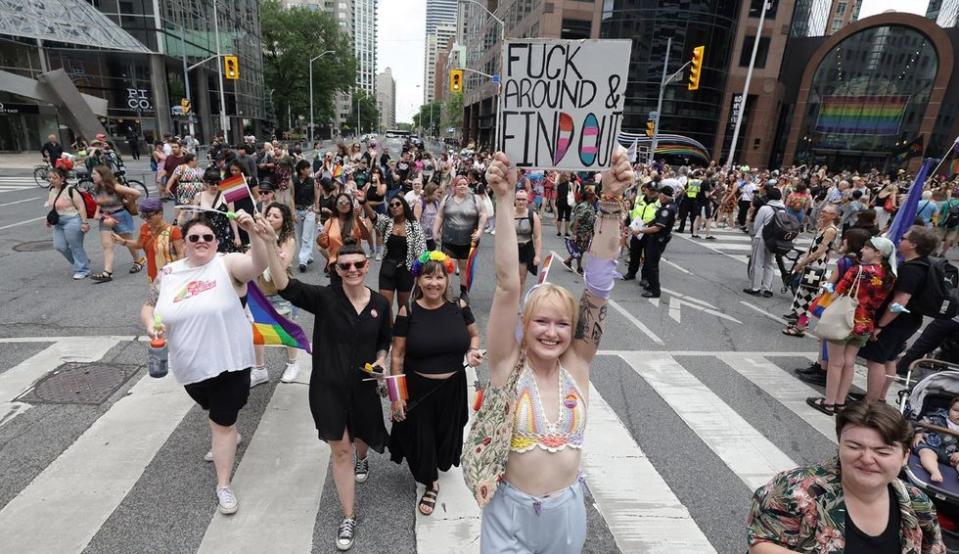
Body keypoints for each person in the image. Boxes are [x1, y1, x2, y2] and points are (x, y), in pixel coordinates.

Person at [478, 147, 630, 553]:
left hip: (566, 511)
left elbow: (597, 290)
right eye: (541, 322)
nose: (551, 332)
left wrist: (611, 203)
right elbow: (509, 284)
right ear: (524, 327)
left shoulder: (578, 363)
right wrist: (505, 200)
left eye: (562, 323)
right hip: (508, 512)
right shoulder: (505, 363)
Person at [264, 237, 390, 551]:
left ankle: (363, 458)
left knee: (361, 439)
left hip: (363, 385)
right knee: (341, 450)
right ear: (335, 268)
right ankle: (348, 516)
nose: (352, 270)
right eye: (344, 265)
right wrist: (268, 242)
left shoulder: (379, 304)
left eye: (358, 264)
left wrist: (381, 360)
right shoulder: (324, 298)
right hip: (327, 387)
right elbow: (284, 285)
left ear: (366, 265)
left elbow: (383, 341)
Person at [142, 211, 269, 516]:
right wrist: (150, 324)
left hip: (229, 364)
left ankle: (223, 484)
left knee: (222, 422)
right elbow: (148, 306)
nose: (201, 242)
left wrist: (253, 233)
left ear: (216, 242)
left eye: (207, 237)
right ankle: (227, 430)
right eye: (194, 238)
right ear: (184, 243)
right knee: (213, 411)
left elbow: (258, 265)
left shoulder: (227, 265)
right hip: (189, 368)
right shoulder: (170, 273)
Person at [747, 401, 945, 552]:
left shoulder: (918, 503)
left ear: (905, 456)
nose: (867, 458)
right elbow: (760, 543)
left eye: (882, 452)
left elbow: (934, 548)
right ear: (839, 446)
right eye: (854, 447)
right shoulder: (794, 490)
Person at [388, 251, 483, 515]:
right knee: (423, 440)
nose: (434, 283)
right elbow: (397, 354)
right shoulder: (408, 310)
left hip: (452, 388)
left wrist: (472, 351)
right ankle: (430, 484)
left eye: (439, 277)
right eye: (428, 276)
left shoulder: (459, 306)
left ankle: (436, 468)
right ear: (418, 279)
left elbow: (474, 335)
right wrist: (397, 397)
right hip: (419, 390)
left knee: (446, 442)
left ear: (447, 279)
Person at [806, 236, 896, 415]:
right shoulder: (889, 275)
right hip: (865, 323)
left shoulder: (858, 270)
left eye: (867, 248)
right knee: (849, 363)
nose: (862, 250)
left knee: (835, 363)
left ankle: (828, 402)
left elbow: (836, 292)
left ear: (878, 253)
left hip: (844, 321)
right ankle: (840, 402)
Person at [859, 226, 940, 402]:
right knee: (889, 359)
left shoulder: (911, 269)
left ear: (913, 244)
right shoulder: (924, 264)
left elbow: (900, 301)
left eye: (904, 237)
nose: (899, 240)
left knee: (876, 361)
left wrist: (881, 325)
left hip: (896, 321)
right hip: (910, 320)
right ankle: (879, 397)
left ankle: (870, 402)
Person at [251, 202, 301, 387]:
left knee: (288, 329)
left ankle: (292, 364)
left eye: (276, 216)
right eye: (269, 215)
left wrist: (270, 243)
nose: (271, 218)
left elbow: (281, 266)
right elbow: (250, 258)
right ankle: (259, 369)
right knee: (257, 331)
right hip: (261, 292)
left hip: (283, 293)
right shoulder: (258, 235)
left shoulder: (288, 240)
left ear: (284, 220)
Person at [783, 204, 839, 337]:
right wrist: (803, 261)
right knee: (802, 294)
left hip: (817, 266)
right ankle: (799, 322)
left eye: (826, 212)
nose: (822, 213)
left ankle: (801, 326)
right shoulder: (822, 226)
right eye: (823, 210)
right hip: (811, 263)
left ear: (833, 216)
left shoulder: (830, 230)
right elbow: (813, 246)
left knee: (807, 296)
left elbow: (821, 250)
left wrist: (804, 262)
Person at [433, 175, 488, 297]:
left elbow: (483, 214)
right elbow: (440, 216)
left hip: (468, 241)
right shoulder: (447, 199)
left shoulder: (475, 199)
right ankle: (448, 292)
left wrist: (480, 231)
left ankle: (464, 293)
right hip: (449, 240)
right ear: (455, 186)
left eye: (465, 184)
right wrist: (435, 231)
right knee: (448, 268)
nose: (462, 186)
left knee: (464, 268)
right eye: (460, 184)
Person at [374, 195, 427, 318]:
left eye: (398, 204)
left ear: (404, 206)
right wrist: (363, 202)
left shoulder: (414, 226)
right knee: (385, 306)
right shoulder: (387, 223)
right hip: (387, 269)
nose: (394, 207)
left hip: (406, 271)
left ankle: (401, 333)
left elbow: (422, 252)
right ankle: (388, 333)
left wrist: (419, 274)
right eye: (391, 205)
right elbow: (374, 217)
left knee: (403, 307)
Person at [89, 165, 144, 283]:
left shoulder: (115, 186)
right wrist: (97, 212)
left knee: (128, 242)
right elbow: (99, 201)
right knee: (107, 245)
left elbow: (137, 193)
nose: (92, 176)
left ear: (102, 175)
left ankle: (138, 261)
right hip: (106, 217)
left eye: (94, 174)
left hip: (120, 216)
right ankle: (107, 272)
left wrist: (128, 202)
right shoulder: (96, 187)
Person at [111, 197, 183, 283]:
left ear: (160, 213)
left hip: (171, 275)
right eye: (143, 216)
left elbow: (180, 253)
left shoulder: (173, 231)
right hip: (153, 274)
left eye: (149, 216)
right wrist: (123, 241)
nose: (146, 219)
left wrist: (180, 273)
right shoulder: (144, 228)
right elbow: (139, 244)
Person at [44, 166, 91, 279]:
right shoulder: (51, 189)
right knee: (60, 246)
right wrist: (49, 219)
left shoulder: (71, 190)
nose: (51, 180)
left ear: (62, 178)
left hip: (73, 220)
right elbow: (54, 206)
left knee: (76, 246)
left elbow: (81, 207)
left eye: (54, 178)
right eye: (49, 178)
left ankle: (83, 269)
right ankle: (83, 260)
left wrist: (84, 223)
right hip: (58, 222)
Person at [638, 184, 677, 298]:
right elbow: (656, 220)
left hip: (658, 239)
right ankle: (651, 285)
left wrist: (641, 230)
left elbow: (657, 227)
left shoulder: (667, 209)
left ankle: (655, 291)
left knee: (652, 265)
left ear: (664, 196)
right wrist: (647, 223)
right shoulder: (668, 205)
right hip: (656, 238)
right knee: (650, 263)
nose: (658, 195)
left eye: (660, 193)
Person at [744, 187, 784, 298]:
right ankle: (768, 289)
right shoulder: (783, 209)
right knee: (769, 263)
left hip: (761, 237)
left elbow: (757, 225)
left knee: (757, 262)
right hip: (774, 239)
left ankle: (755, 287)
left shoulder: (765, 208)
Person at [193, 168, 240, 253]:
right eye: (211, 183)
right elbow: (195, 218)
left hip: (224, 236)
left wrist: (237, 236)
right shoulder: (198, 196)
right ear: (206, 183)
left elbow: (232, 218)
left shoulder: (226, 195)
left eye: (217, 183)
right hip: (205, 237)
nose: (215, 185)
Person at [913, 397, 959, 484]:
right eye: (956, 410)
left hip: (952, 454)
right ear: (949, 409)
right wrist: (919, 434)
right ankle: (934, 471)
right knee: (926, 453)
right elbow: (923, 423)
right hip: (932, 446)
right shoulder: (939, 417)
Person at [622, 182, 660, 282]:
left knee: (648, 256)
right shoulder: (638, 199)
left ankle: (645, 277)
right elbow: (631, 213)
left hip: (650, 232)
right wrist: (626, 225)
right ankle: (631, 273)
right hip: (636, 230)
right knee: (634, 253)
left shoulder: (659, 203)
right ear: (646, 190)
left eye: (654, 191)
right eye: (650, 190)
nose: (652, 192)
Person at [512, 188, 542, 289]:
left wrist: (537, 256)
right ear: (514, 200)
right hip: (510, 250)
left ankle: (517, 303)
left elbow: (537, 237)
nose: (521, 202)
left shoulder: (532, 216)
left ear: (527, 201)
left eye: (523, 199)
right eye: (518, 199)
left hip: (525, 249)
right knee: (508, 279)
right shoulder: (508, 214)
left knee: (521, 279)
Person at [292, 159, 319, 272]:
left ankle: (303, 261)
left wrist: (317, 209)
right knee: (300, 235)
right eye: (307, 168)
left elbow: (317, 196)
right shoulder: (294, 181)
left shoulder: (312, 181)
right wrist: (292, 212)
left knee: (306, 236)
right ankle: (309, 255)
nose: (309, 170)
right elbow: (291, 197)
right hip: (298, 210)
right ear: (301, 170)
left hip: (309, 210)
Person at [562, 187, 597, 275]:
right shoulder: (584, 206)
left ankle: (569, 261)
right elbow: (577, 220)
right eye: (594, 197)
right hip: (581, 232)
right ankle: (578, 267)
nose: (595, 198)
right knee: (580, 249)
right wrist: (574, 234)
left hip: (587, 232)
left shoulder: (591, 206)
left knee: (580, 249)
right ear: (589, 197)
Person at [167, 153, 204, 224]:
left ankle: (194, 224)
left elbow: (202, 179)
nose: (196, 162)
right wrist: (168, 187)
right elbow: (173, 178)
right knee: (184, 210)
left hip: (196, 192)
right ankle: (180, 226)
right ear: (190, 161)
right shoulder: (181, 167)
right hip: (186, 191)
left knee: (194, 209)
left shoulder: (197, 169)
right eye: (195, 160)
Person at [414, 183, 442, 251]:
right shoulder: (420, 203)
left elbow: (439, 218)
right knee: (421, 259)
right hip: (421, 239)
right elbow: (416, 221)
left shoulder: (436, 203)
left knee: (430, 258)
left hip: (431, 238)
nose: (438, 194)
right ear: (430, 192)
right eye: (437, 192)